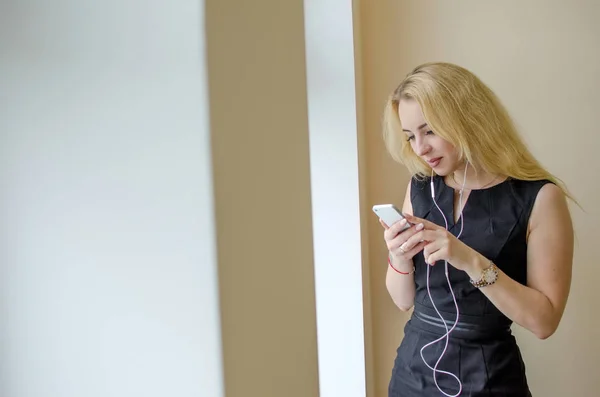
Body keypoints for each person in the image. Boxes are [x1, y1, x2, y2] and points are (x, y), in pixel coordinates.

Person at [378, 62, 575, 397]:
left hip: (489, 380)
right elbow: (402, 300)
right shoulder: (420, 187)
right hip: (411, 376)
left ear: (466, 117)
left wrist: (470, 260)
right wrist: (399, 255)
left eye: (430, 131)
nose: (420, 149)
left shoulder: (540, 197)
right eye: (411, 137)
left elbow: (544, 323)